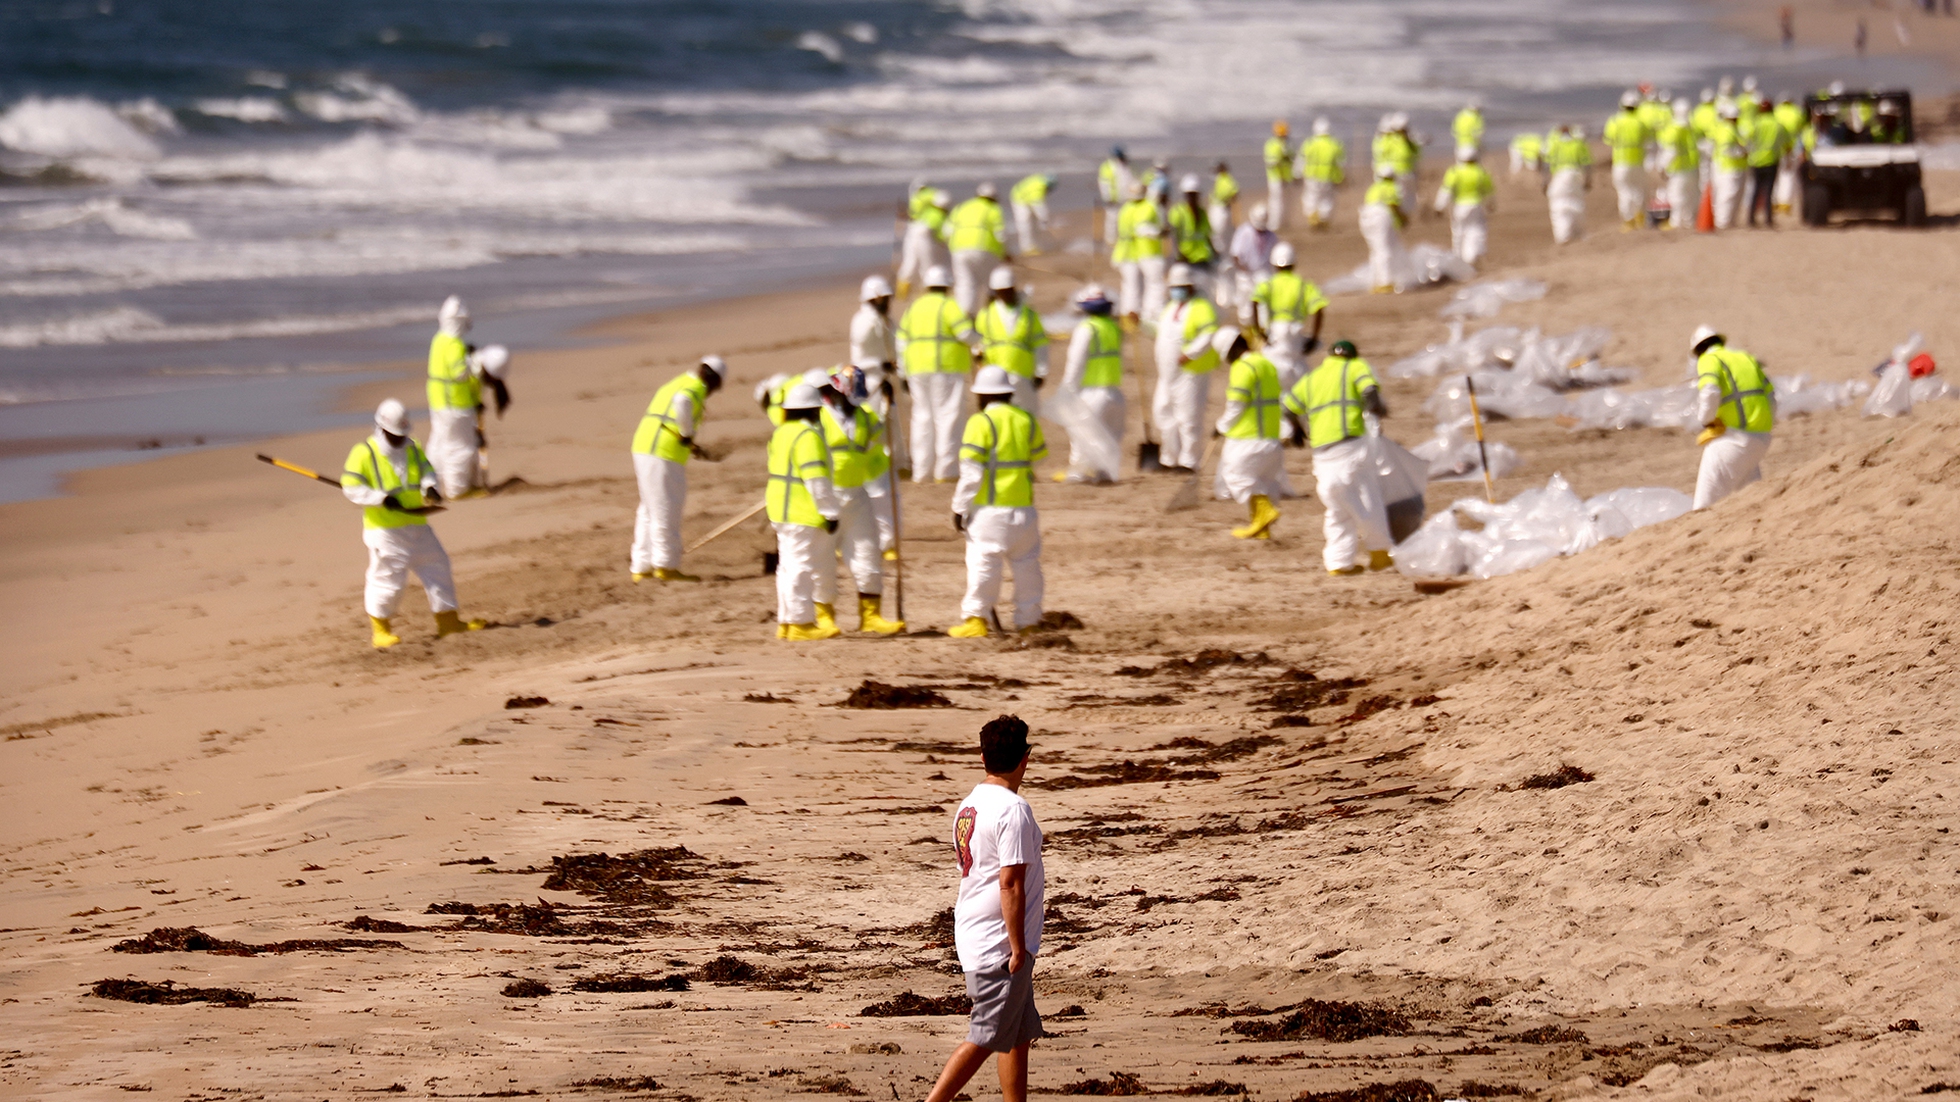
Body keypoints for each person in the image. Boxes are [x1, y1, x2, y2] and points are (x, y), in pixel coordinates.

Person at [924, 714, 1046, 1102]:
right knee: (986, 1035)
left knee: (1017, 1035)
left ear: (982, 756)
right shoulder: (1013, 809)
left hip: (976, 929)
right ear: (1025, 758)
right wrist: (1015, 947)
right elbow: (1009, 883)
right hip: (999, 943)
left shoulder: (969, 805)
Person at [341, 398, 487, 649]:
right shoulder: (364, 452)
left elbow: (426, 469)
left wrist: (429, 487)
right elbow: (351, 488)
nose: (400, 440)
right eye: (395, 435)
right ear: (382, 428)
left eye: (402, 434)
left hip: (416, 521)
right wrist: (380, 498)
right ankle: (381, 631)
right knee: (388, 579)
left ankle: (448, 622)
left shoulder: (411, 447)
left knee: (437, 566)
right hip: (385, 529)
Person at [949, 366, 1047, 639]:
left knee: (984, 564)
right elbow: (1039, 458)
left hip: (990, 511)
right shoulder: (1026, 419)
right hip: (1024, 509)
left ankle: (976, 619)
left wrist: (959, 508)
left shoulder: (980, 423)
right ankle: (1029, 620)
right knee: (1027, 566)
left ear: (981, 396)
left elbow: (971, 475)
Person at [1282, 341, 1393, 575]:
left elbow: (1289, 407)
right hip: (1351, 444)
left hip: (1322, 453)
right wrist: (1375, 415)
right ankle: (1380, 553)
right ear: (1353, 355)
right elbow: (1370, 391)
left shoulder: (1314, 377)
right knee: (1366, 498)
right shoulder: (1355, 366)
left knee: (1337, 505)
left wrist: (1297, 430)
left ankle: (1339, 562)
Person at [811, 367, 905, 635]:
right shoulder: (818, 416)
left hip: (857, 496)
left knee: (868, 553)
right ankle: (824, 616)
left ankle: (871, 615)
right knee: (823, 559)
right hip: (827, 495)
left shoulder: (865, 417)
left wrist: (890, 406)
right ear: (836, 392)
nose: (854, 407)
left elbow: (885, 434)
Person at [629, 355, 726, 583]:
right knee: (666, 507)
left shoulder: (678, 380)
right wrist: (686, 433)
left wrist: (687, 439)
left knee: (648, 509)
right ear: (714, 381)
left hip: (644, 446)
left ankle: (641, 566)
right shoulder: (695, 386)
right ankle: (666, 565)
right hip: (662, 452)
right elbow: (682, 402)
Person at [767, 382, 844, 641]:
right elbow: (816, 480)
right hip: (802, 511)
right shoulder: (808, 436)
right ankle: (801, 623)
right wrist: (830, 512)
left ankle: (787, 622)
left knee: (787, 567)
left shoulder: (781, 432)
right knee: (800, 566)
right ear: (812, 411)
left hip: (780, 509)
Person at [896, 266, 978, 483]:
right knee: (948, 417)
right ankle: (947, 470)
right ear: (948, 285)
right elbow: (965, 334)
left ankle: (922, 472)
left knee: (922, 419)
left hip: (916, 370)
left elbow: (901, 342)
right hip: (946, 368)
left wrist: (903, 373)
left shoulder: (914, 307)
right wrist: (980, 338)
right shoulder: (950, 306)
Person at [424, 296, 510, 500]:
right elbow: (458, 373)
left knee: (438, 444)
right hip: (455, 403)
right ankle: (458, 489)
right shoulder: (454, 344)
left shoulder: (439, 340)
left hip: (438, 401)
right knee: (459, 448)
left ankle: (430, 485)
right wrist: (473, 363)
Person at [1211, 327, 1286, 540]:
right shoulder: (1266, 364)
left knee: (1237, 477)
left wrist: (1221, 426)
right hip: (1271, 438)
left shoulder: (1243, 367)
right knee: (1264, 482)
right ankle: (1261, 528)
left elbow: (1237, 404)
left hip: (1247, 438)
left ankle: (1264, 513)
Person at [1690, 326, 1775, 509]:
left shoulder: (1708, 360)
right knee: (1752, 496)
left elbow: (1710, 392)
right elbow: (1771, 398)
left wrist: (1706, 420)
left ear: (1698, 350)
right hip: (1762, 438)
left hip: (1733, 440)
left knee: (1704, 505)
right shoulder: (1745, 357)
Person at [1154, 264, 1223, 472]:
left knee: (1189, 416)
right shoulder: (1170, 308)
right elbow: (1159, 331)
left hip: (1191, 371)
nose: (1178, 290)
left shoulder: (1202, 308)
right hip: (1167, 373)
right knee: (1163, 411)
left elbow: (1208, 334)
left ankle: (1189, 460)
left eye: (1182, 286)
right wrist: (1140, 323)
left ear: (1192, 287)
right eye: (1175, 286)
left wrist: (1190, 353)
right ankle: (1169, 456)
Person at [1056, 285, 1124, 483]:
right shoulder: (1112, 328)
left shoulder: (1086, 329)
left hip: (1091, 392)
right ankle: (1106, 473)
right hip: (1115, 392)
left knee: (1081, 433)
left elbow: (1076, 362)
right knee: (1111, 436)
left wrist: (1067, 388)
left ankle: (1079, 473)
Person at [1249, 242, 1328, 388]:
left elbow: (1254, 301)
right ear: (1294, 263)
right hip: (1295, 334)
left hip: (1275, 333)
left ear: (1273, 263)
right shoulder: (1304, 285)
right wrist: (1314, 337)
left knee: (1274, 375)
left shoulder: (1269, 284)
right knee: (1299, 375)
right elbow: (1319, 309)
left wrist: (1259, 331)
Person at [975, 267, 1050, 412]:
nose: (1006, 294)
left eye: (1008, 290)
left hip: (1023, 376)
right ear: (996, 292)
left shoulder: (1029, 315)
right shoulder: (986, 315)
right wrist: (980, 367)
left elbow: (1040, 344)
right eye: (1002, 291)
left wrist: (1041, 372)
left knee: (1028, 415)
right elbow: (978, 345)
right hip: (996, 377)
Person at [947, 183, 1010, 317]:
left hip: (959, 251)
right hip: (985, 250)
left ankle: (966, 318)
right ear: (994, 198)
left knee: (965, 284)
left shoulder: (962, 207)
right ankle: (992, 317)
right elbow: (1001, 235)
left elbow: (947, 231)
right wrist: (1006, 253)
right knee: (991, 284)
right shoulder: (994, 209)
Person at [1112, 183, 1166, 325]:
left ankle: (1129, 315)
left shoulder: (1126, 208)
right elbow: (1144, 228)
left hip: (1125, 252)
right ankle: (1149, 315)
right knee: (1151, 284)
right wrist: (1161, 232)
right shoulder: (1147, 207)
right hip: (1144, 251)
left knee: (1130, 286)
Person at [1434, 145, 1494, 265]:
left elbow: (1446, 190)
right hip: (1476, 206)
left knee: (1458, 233)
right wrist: (1490, 204)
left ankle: (1458, 258)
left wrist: (1439, 206)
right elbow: (1489, 192)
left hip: (1459, 207)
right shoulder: (1480, 171)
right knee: (1476, 230)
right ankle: (1471, 257)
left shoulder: (1455, 171)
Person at [1604, 90, 1651, 230]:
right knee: (1639, 191)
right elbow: (1647, 140)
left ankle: (1628, 221)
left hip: (1621, 163)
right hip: (1638, 163)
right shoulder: (1640, 123)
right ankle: (1640, 219)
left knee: (1624, 192)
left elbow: (1608, 139)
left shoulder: (1615, 121)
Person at [1358, 163, 1408, 292]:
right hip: (1380, 215)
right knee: (1384, 249)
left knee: (1375, 249)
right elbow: (1393, 205)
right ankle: (1385, 282)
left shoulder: (1373, 188)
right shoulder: (1392, 187)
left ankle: (1376, 281)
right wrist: (1403, 219)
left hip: (1365, 216)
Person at [1167, 174, 1217, 299]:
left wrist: (1214, 252)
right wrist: (1177, 254)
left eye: (1194, 194)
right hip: (1185, 260)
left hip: (1202, 259)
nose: (1192, 198)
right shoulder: (1178, 212)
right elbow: (1172, 236)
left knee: (1204, 292)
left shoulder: (1202, 213)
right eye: (1189, 194)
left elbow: (1206, 236)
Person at [1225, 202, 1276, 322]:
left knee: (1264, 306)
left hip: (1263, 274)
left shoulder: (1271, 236)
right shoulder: (1243, 232)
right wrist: (1244, 271)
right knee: (1245, 309)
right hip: (1245, 275)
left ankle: (1263, 331)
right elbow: (1235, 255)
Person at [897, 188, 952, 298]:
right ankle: (926, 293)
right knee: (927, 267)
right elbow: (942, 236)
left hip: (911, 235)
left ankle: (901, 294)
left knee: (910, 263)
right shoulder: (940, 216)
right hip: (925, 239)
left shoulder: (927, 210)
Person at [1743, 97, 1786, 227]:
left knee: (1755, 190)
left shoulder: (1755, 124)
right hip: (1771, 160)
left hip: (1755, 161)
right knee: (1768, 191)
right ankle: (1768, 219)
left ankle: (1751, 218)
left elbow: (1746, 139)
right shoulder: (1778, 125)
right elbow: (1786, 142)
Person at [1546, 124, 1592, 244]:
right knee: (1577, 204)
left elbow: (1547, 164)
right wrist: (1588, 180)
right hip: (1575, 176)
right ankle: (1578, 234)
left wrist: (1545, 182)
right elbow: (1587, 164)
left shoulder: (1554, 144)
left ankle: (1563, 236)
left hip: (1559, 176)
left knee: (1558, 206)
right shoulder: (1578, 144)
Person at [1660, 99, 1701, 230]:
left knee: (1677, 197)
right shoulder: (1692, 128)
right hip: (1693, 168)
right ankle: (1689, 222)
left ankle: (1676, 223)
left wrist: (1663, 167)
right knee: (1691, 196)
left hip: (1678, 170)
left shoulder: (1674, 129)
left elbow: (1671, 151)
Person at [1298, 118, 1346, 229]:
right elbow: (1341, 163)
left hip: (1311, 176)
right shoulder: (1335, 144)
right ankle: (1324, 219)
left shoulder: (1309, 143)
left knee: (1311, 197)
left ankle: (1313, 218)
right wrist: (1341, 178)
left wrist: (1298, 174)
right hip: (1328, 177)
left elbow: (1301, 160)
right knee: (1327, 199)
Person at [1708, 103, 1748, 229]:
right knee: (1727, 195)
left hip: (1735, 167)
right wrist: (1741, 153)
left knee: (1735, 195)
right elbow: (1727, 150)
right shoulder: (1726, 129)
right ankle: (1722, 222)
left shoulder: (1732, 128)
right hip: (1728, 168)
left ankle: (1729, 221)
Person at [1373, 113, 1420, 208]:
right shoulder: (1390, 140)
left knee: (1397, 198)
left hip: (1394, 172)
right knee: (1398, 199)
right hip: (1395, 173)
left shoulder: (1383, 140)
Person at [1009, 173, 1055, 255]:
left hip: (1027, 196)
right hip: (1019, 198)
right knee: (1024, 223)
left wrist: (1042, 219)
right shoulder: (1038, 189)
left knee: (1034, 222)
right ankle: (1026, 249)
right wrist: (1044, 219)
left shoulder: (1041, 181)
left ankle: (1034, 245)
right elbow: (1039, 206)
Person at [1097, 146, 1135, 243]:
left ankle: (1124, 238)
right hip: (1114, 199)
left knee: (1127, 218)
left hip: (1127, 197)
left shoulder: (1126, 166)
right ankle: (1111, 240)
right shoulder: (1108, 167)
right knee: (1112, 220)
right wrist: (1107, 197)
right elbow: (1104, 183)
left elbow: (1131, 180)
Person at [1263, 120, 1293, 229]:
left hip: (1286, 177)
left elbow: (1291, 160)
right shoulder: (1272, 145)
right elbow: (1272, 163)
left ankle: (1284, 223)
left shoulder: (1287, 145)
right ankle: (1275, 224)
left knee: (1287, 202)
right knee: (1276, 202)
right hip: (1276, 178)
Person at [1207, 161, 1238, 253]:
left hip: (1220, 209)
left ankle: (1219, 256)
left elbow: (1234, 194)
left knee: (1216, 236)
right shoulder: (1224, 180)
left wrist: (1225, 201)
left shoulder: (1225, 180)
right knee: (1224, 236)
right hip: (1222, 209)